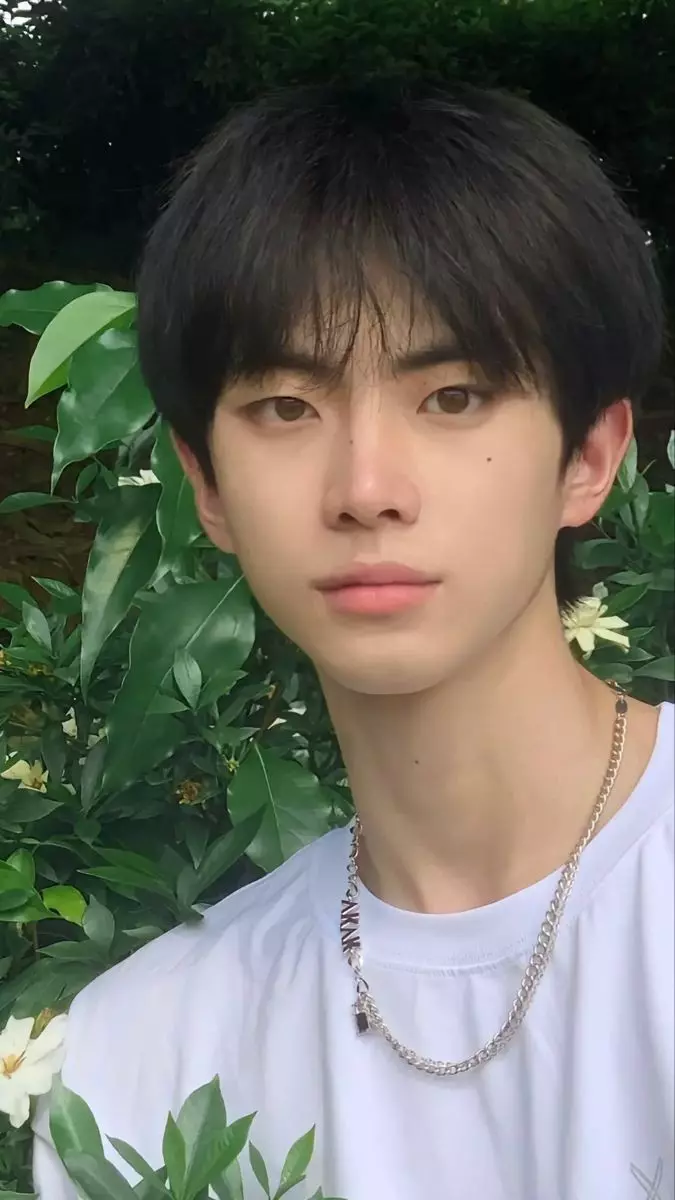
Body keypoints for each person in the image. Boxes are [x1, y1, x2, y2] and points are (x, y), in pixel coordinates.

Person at [33, 79, 673, 1200]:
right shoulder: (137, 1065)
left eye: (454, 395)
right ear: (206, 484)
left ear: (588, 457)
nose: (366, 488)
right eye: (287, 407)